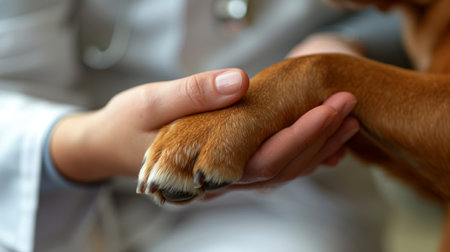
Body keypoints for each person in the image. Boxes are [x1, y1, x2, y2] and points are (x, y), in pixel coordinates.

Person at [0, 0, 417, 251]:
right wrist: (89, 145)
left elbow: (414, 17)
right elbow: (12, 75)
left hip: (286, 205)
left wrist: (345, 47)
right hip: (40, 188)